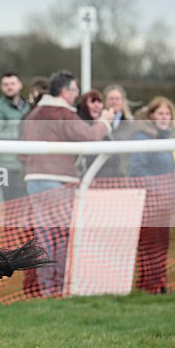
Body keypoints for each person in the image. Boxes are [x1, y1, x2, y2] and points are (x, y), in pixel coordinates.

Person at [20, 70, 114, 296]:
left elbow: (22, 152)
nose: (76, 95)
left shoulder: (33, 115)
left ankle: (46, 288)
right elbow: (90, 136)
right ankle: (59, 287)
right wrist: (104, 122)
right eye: (74, 90)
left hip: (34, 179)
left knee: (43, 236)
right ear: (64, 91)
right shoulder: (63, 113)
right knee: (62, 236)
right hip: (59, 181)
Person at [127, 96, 175, 294]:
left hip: (163, 203)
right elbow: (136, 170)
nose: (165, 117)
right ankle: (152, 284)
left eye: (168, 114)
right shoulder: (142, 139)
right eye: (161, 113)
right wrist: (159, 187)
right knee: (150, 245)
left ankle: (156, 283)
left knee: (161, 243)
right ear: (151, 115)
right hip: (149, 204)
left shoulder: (163, 139)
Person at [0, 72, 30, 200]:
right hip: (8, 167)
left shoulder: (28, 106)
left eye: (12, 84)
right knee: (12, 207)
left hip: (27, 165)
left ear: (20, 85)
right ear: (1, 87)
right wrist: (21, 132)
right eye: (6, 84)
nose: (9, 87)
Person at [76, 90, 123, 178]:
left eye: (99, 101)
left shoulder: (107, 127)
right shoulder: (79, 126)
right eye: (92, 101)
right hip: (89, 181)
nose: (96, 105)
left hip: (110, 180)